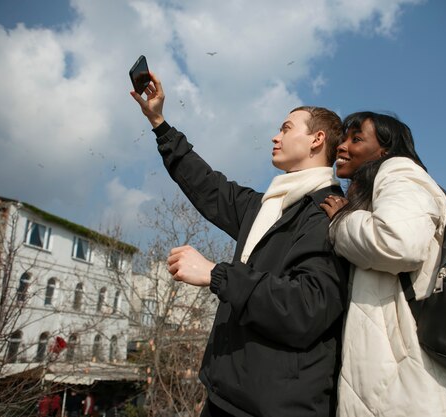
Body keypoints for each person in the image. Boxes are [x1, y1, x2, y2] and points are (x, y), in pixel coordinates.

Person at [131, 73, 349, 417]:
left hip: (276, 406)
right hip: (224, 395)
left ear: (317, 139)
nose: (275, 137)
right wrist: (159, 122)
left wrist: (217, 274)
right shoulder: (266, 207)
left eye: (287, 128)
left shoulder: (331, 216)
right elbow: (208, 186)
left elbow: (308, 307)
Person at [320, 111, 446, 416]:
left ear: (385, 150)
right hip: (412, 383)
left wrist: (341, 221)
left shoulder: (400, 173)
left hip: (427, 390)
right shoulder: (381, 189)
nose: (342, 146)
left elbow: (397, 243)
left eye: (356, 138)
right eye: (342, 138)